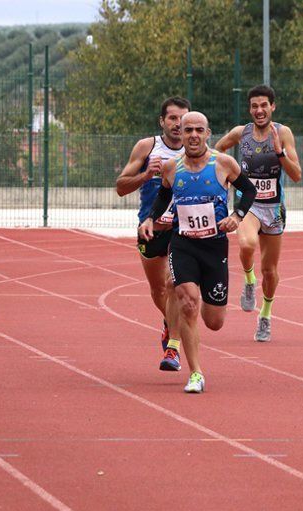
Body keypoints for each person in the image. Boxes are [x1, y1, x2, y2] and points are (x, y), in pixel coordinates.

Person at [139, 111, 257, 393]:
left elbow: (249, 191)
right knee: (188, 302)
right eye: (187, 129)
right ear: (181, 132)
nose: (192, 135)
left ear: (207, 134)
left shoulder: (223, 163)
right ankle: (196, 374)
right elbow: (164, 196)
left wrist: (237, 216)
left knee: (214, 321)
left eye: (198, 130)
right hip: (183, 244)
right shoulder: (171, 167)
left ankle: (205, 298)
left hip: (214, 246)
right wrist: (149, 218)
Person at [214, 85, 302, 342]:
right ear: (250, 109)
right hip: (248, 204)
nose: (259, 110)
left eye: (264, 105)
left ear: (273, 106)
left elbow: (296, 175)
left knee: (271, 270)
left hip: (274, 208)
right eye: (254, 106)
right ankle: (249, 281)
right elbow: (219, 149)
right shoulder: (242, 133)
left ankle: (265, 315)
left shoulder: (283, 133)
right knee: (246, 243)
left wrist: (279, 151)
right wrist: (225, 175)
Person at [116, 96, 190, 371]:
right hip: (151, 230)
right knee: (159, 289)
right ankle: (170, 323)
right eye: (172, 118)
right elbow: (121, 186)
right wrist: (147, 175)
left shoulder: (195, 150)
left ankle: (173, 347)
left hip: (182, 232)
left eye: (183, 119)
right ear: (162, 121)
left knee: (177, 285)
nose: (178, 124)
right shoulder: (147, 147)